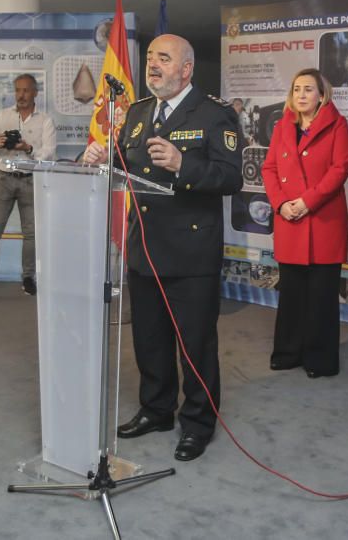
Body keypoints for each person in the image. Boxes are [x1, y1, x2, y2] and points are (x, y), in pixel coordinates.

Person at [82, 34, 243, 462]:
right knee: (150, 340)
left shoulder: (214, 115)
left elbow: (231, 179)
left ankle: (197, 423)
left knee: (195, 345)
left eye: (164, 58)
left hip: (191, 252)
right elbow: (126, 161)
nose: (153, 65)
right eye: (151, 57)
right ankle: (156, 410)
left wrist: (183, 164)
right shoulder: (137, 113)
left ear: (186, 69)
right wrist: (104, 157)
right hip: (144, 247)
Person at [261, 69, 348, 378]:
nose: (301, 95)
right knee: (292, 293)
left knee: (322, 296)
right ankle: (287, 352)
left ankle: (320, 359)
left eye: (308, 89)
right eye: (296, 88)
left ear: (321, 95)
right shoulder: (282, 126)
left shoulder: (338, 125)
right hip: (290, 219)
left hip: (322, 220)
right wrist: (280, 204)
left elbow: (340, 170)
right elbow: (269, 167)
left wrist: (306, 202)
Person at [0, 73, 56, 300]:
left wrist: (28, 149)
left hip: (30, 179)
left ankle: (28, 278)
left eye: (26, 90)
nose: (21, 95)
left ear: (35, 93)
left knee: (31, 234)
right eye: (18, 90)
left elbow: (49, 154)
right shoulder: (2, 117)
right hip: (4, 179)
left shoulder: (45, 120)